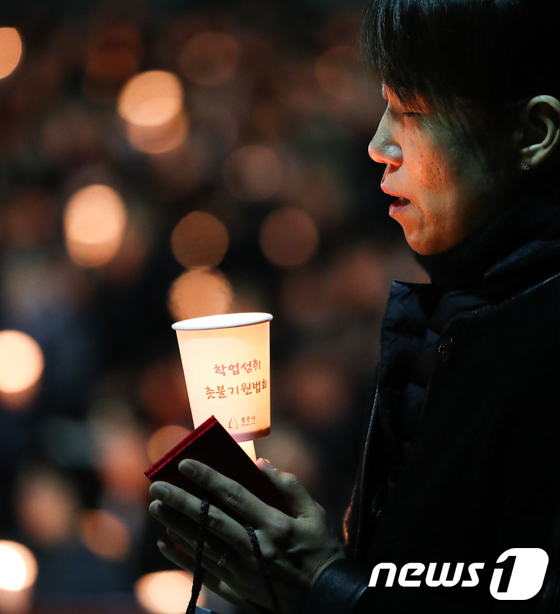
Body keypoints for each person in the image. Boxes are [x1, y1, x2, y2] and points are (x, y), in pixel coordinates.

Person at [148, 0, 560, 611]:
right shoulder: (457, 319)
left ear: (530, 135)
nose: (378, 144)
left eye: (411, 111)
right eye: (384, 106)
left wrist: (323, 587)